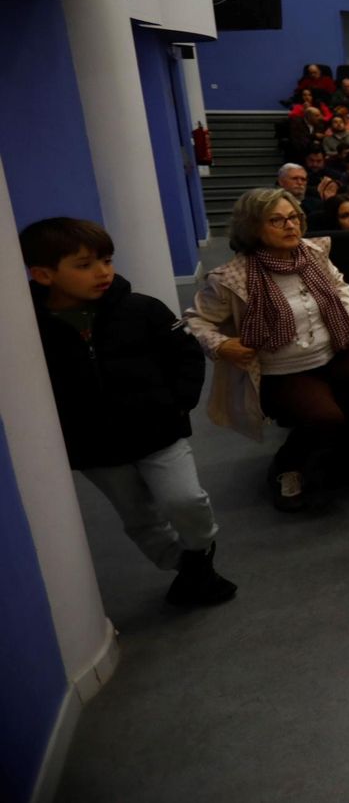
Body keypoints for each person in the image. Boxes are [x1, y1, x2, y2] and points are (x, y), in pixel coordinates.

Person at [23, 218, 236, 606]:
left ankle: (201, 550)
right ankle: (190, 569)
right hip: (95, 448)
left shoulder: (141, 309)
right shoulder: (32, 330)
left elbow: (185, 356)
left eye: (106, 260)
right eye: (84, 265)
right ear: (43, 274)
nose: (102, 272)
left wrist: (177, 404)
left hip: (158, 432)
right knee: (139, 519)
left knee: (184, 499)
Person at [184, 189, 349, 511]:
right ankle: (288, 466)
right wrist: (222, 345)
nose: (290, 226)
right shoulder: (232, 278)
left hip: (335, 350)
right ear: (253, 228)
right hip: (283, 369)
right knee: (325, 418)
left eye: (293, 218)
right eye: (276, 221)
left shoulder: (313, 253)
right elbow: (196, 321)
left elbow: (339, 284)